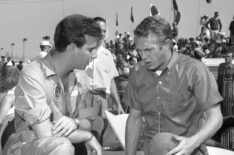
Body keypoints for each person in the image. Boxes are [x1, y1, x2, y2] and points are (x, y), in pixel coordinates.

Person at [3, 14, 103, 155]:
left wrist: (75, 122)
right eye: (90, 49)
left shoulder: (81, 77)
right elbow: (44, 133)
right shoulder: (33, 75)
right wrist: (87, 135)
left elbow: (94, 121)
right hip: (29, 146)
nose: (94, 55)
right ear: (73, 48)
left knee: (76, 147)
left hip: (65, 144)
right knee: (62, 147)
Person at [124, 15, 223, 155]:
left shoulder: (195, 70)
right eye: (139, 51)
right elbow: (134, 118)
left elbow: (216, 117)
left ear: (167, 44)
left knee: (161, 142)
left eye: (148, 50)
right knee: (158, 143)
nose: (143, 57)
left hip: (188, 150)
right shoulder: (137, 73)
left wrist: (192, 142)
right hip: (151, 150)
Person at [84, 16, 124, 143]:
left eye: (104, 31)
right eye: (98, 30)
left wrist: (118, 104)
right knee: (84, 135)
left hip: (101, 99)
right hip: (83, 98)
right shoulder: (82, 51)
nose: (101, 33)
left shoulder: (107, 55)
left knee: (99, 134)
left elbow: (111, 81)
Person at [217, 47, 234, 116]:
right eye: (226, 57)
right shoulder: (221, 66)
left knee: (229, 107)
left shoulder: (233, 68)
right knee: (221, 107)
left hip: (230, 90)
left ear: (232, 58)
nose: (226, 58)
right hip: (221, 89)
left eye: (228, 57)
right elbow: (219, 79)